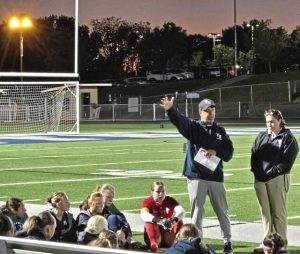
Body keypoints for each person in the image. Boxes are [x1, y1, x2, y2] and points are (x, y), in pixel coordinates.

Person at [160, 97, 234, 254]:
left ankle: (227, 242)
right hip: (197, 176)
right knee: (197, 212)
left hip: (215, 176)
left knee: (222, 211)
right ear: (200, 112)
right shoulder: (194, 127)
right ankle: (196, 243)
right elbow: (180, 121)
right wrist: (170, 110)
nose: (210, 113)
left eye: (212, 110)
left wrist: (217, 152)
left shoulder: (220, 131)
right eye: (207, 110)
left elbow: (229, 153)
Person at [251, 109, 299, 252]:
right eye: (267, 122)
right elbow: (254, 155)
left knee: (278, 214)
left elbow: (287, 162)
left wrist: (270, 172)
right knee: (265, 214)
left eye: (272, 121)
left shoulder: (287, 137)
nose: (269, 124)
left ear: (280, 121)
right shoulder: (261, 136)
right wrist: (257, 172)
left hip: (277, 178)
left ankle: (281, 245)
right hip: (260, 179)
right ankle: (267, 244)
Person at [140, 181, 185, 253]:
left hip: (168, 235)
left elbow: (181, 211)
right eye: (158, 192)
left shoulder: (170, 200)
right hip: (155, 235)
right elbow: (143, 214)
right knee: (149, 221)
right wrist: (160, 221)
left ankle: (179, 243)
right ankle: (153, 244)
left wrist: (172, 221)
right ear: (152, 192)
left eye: (163, 191)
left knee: (178, 219)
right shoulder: (148, 201)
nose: (161, 194)